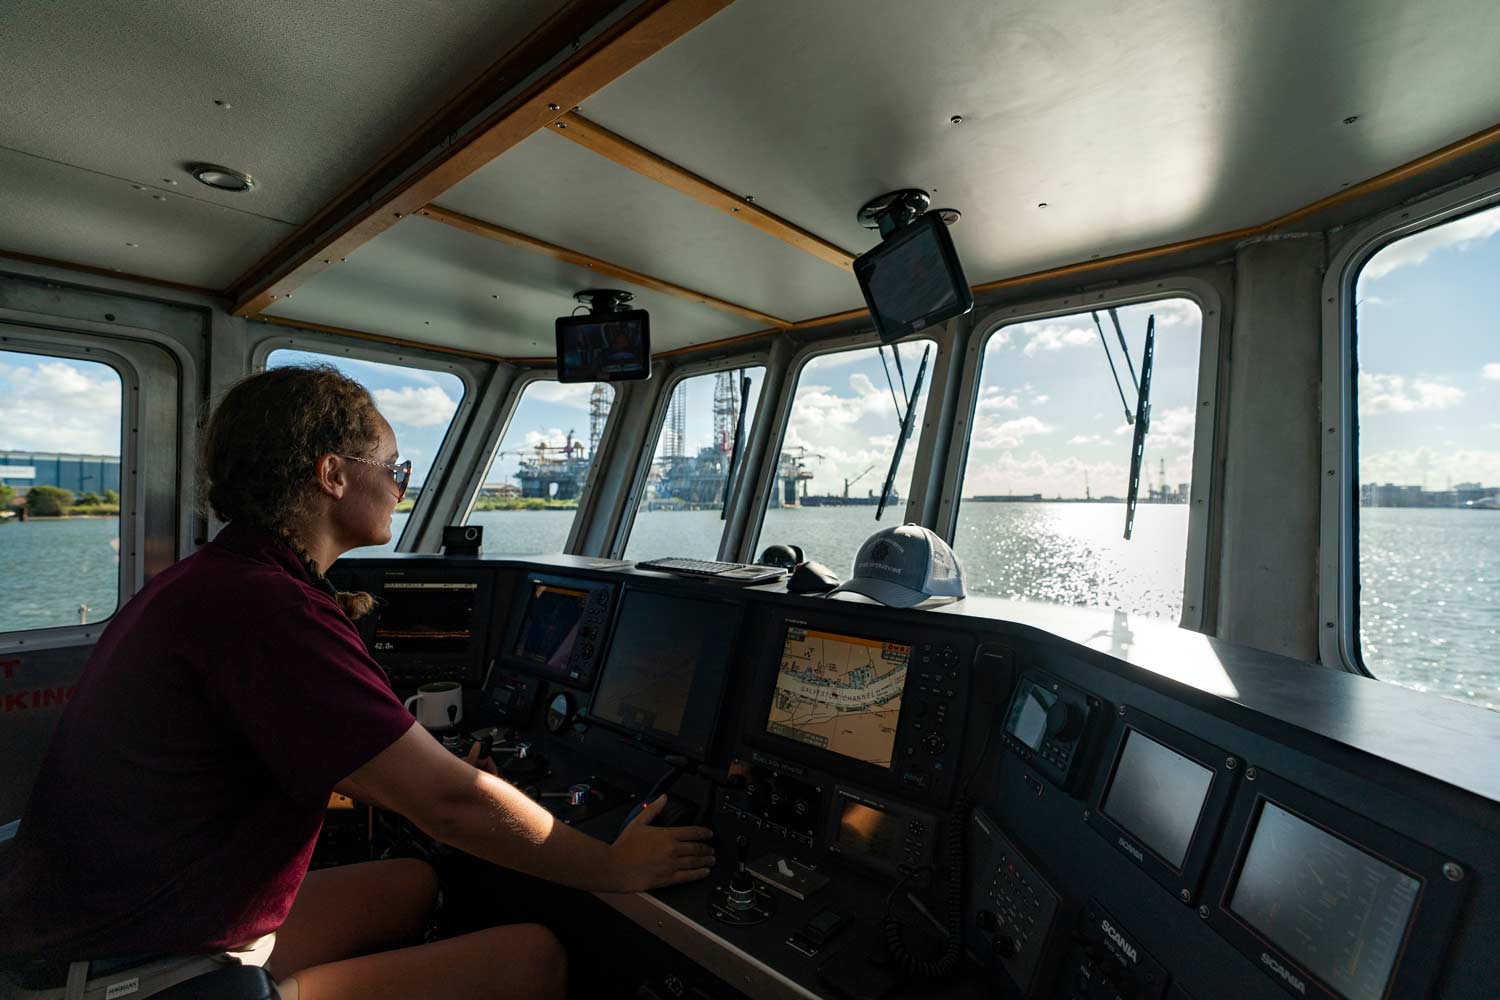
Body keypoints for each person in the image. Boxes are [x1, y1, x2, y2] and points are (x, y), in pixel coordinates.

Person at [0, 366, 714, 1000]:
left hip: (115, 912)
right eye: (395, 470)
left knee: (414, 882)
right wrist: (612, 866)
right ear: (333, 475)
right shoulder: (268, 609)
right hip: (131, 967)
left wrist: (413, 775)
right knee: (531, 960)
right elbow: (449, 802)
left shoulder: (223, 579)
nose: (402, 488)